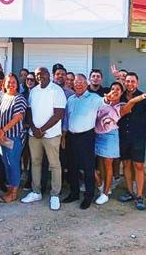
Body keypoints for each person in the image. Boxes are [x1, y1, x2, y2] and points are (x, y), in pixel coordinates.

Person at [94, 83, 146, 206]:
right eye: (112, 88)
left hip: (111, 136)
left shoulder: (121, 106)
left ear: (122, 93)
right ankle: (103, 186)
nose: (114, 91)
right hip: (97, 135)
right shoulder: (101, 101)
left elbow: (132, 101)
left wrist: (144, 96)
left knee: (108, 165)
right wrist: (106, 99)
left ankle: (106, 193)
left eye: (118, 89)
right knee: (97, 165)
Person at [21, 67, 65, 211]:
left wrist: (41, 129)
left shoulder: (56, 90)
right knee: (35, 163)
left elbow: (58, 114)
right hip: (34, 135)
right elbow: (29, 111)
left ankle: (55, 194)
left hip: (51, 135)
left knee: (54, 165)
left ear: (48, 75)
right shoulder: (33, 91)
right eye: (37, 75)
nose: (40, 76)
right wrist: (34, 128)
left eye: (42, 74)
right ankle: (36, 192)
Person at [62, 74, 100, 210]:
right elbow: (66, 119)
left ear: (86, 84)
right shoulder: (70, 99)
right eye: (76, 82)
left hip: (87, 137)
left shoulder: (94, 98)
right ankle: (74, 193)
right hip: (71, 137)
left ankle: (88, 196)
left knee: (88, 168)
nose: (78, 84)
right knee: (72, 167)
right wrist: (64, 136)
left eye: (81, 82)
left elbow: (106, 104)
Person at [118, 72, 146, 210]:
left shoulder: (143, 97)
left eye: (133, 81)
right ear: (124, 82)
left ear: (137, 83)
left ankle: (139, 196)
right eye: (127, 81)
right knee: (126, 164)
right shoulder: (120, 96)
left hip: (138, 137)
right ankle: (129, 192)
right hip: (123, 136)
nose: (130, 84)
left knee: (138, 166)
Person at [0, 73, 27, 203]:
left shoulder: (19, 98)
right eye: (8, 82)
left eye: (13, 82)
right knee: (6, 163)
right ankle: (10, 188)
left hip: (14, 137)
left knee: (13, 164)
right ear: (4, 84)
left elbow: (17, 117)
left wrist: (3, 130)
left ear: (17, 84)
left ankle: (13, 193)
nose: (11, 84)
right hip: (1, 137)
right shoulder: (2, 97)